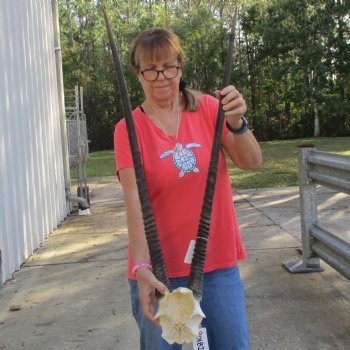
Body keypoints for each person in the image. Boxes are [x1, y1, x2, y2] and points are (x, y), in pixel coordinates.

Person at [114, 27, 262, 350]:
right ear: (137, 73)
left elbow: (251, 161)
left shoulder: (210, 109)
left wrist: (238, 123)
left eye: (168, 67)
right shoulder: (128, 129)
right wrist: (141, 267)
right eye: (150, 70)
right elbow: (134, 202)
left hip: (217, 264)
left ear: (181, 66)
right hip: (159, 273)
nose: (161, 77)